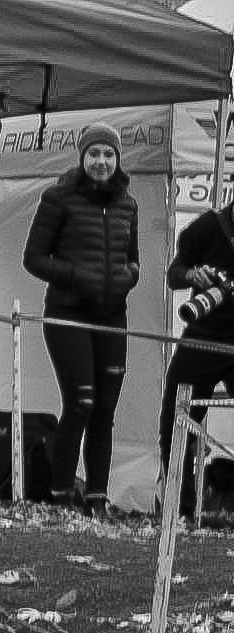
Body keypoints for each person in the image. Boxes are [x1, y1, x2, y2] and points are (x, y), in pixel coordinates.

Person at [23, 122, 139, 518]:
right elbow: (33, 258)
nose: (101, 161)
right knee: (81, 403)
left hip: (112, 316)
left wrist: (129, 277)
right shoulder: (58, 198)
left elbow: (133, 259)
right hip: (68, 313)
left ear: (117, 159)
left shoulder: (128, 203)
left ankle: (97, 498)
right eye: (94, 153)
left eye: (108, 154)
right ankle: (58, 495)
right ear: (82, 157)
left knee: (105, 408)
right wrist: (77, 275)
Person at [158, 201, 234, 521]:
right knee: (175, 420)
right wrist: (193, 274)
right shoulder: (208, 226)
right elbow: (174, 275)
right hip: (202, 337)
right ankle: (181, 509)